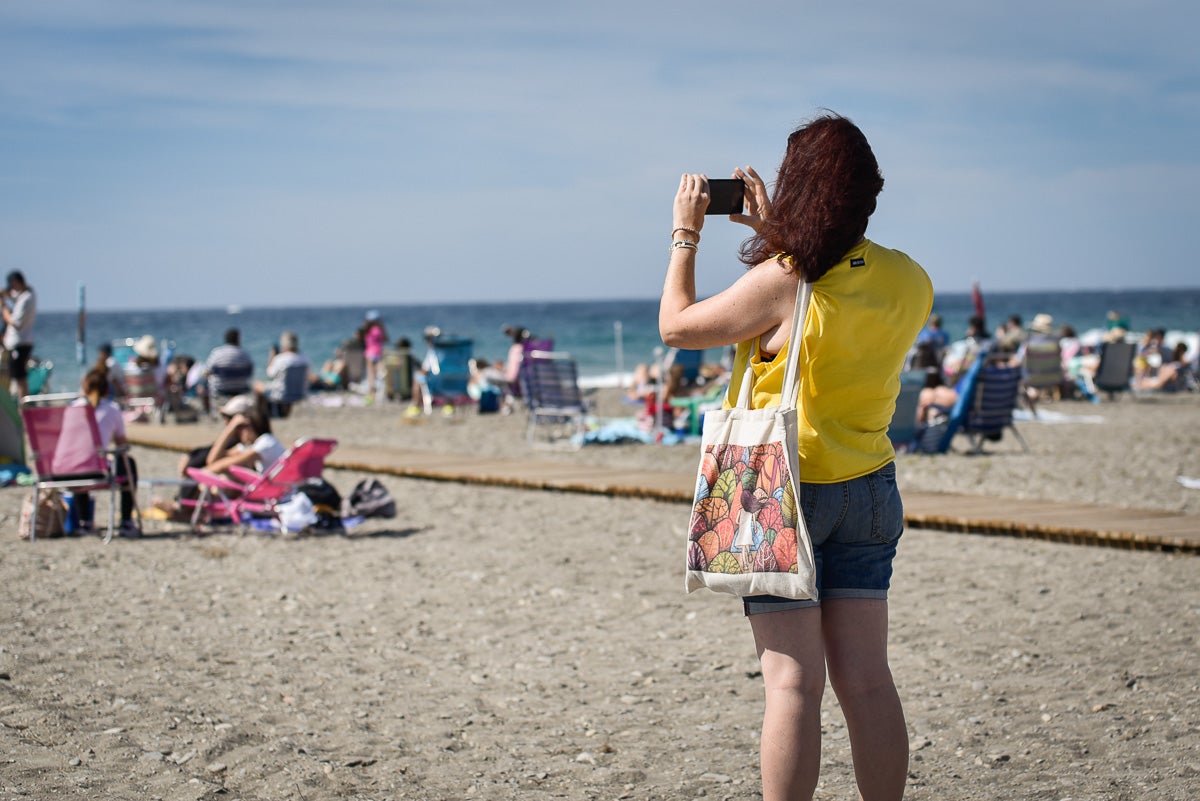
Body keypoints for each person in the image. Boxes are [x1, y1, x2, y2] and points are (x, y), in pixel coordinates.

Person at [658, 113, 933, 801]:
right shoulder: (910, 279)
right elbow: (834, 289)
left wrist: (684, 234)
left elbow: (677, 326)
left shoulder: (782, 279)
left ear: (799, 189)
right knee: (867, 679)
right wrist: (775, 232)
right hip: (870, 488)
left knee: (792, 683)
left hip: (784, 489)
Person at [71, 368, 140, 537]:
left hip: (66, 472)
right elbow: (121, 445)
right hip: (97, 471)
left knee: (81, 461)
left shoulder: (73, 408)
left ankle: (85, 522)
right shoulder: (112, 409)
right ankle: (125, 522)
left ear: (85, 387)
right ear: (106, 389)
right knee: (128, 463)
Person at [257, 331, 309, 416]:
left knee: (257, 385)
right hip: (300, 394)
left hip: (282, 395)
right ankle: (284, 411)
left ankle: (262, 415)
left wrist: (272, 357)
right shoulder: (304, 359)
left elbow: (269, 374)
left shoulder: (280, 359)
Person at [2, 270, 37, 399]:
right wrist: (6, 295)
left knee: (19, 378)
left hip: (18, 343)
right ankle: (22, 407)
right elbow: (16, 296)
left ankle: (22, 409)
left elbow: (15, 322)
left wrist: (4, 309)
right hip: (24, 341)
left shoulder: (25, 298)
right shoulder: (29, 294)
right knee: (19, 378)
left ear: (16, 282)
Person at [203, 328, 254, 412]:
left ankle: (207, 411)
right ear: (238, 339)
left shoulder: (217, 353)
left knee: (204, 381)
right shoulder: (245, 355)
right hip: (240, 389)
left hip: (220, 390)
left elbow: (207, 372)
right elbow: (250, 373)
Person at [360, 311, 388, 396]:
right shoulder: (378, 330)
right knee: (380, 373)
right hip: (377, 352)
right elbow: (384, 340)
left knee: (371, 374)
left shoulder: (366, 330)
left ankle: (372, 391)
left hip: (369, 353)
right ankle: (382, 390)